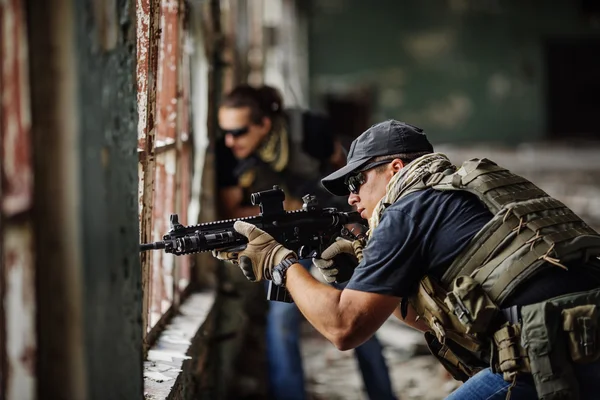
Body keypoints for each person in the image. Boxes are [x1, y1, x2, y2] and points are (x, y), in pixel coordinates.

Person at [214, 119, 600, 399]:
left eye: (357, 181)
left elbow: (343, 329)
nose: (351, 198)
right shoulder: (462, 191)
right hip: (582, 335)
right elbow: (442, 323)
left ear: (395, 168)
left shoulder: (406, 210)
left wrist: (280, 262)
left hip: (555, 353)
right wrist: (355, 279)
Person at [215, 84, 397, 400]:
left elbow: (347, 178)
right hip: (281, 237)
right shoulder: (227, 151)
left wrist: (347, 224)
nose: (230, 140)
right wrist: (286, 210)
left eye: (239, 131)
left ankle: (383, 394)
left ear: (264, 125)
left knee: (357, 307)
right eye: (226, 132)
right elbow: (232, 212)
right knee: (282, 315)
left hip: (327, 226)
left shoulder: (310, 130)